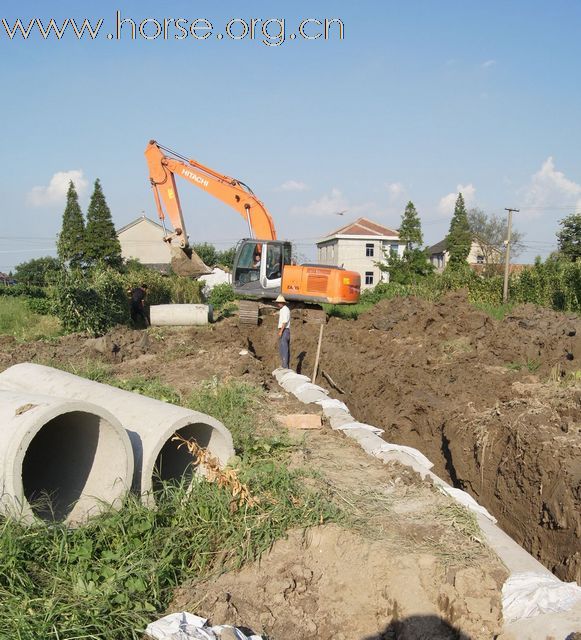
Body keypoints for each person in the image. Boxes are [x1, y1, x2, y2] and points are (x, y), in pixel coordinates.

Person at [276, 294, 291, 369]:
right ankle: (283, 365)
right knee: (282, 348)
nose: (278, 304)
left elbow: (284, 322)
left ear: (282, 302)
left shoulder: (285, 309)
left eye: (279, 302)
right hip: (284, 330)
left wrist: (281, 331)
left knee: (284, 348)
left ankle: (285, 366)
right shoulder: (282, 309)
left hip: (285, 331)